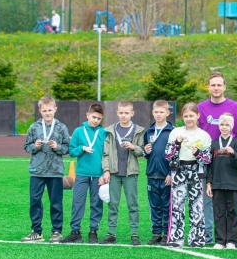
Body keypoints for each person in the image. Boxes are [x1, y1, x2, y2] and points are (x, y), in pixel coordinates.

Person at [197, 72, 237, 244]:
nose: (216, 88)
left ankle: (232, 238)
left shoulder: (235, 107)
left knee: (231, 205)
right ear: (208, 87)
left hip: (229, 163)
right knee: (208, 201)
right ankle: (210, 235)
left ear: (225, 87)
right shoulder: (201, 108)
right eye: (213, 85)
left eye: (219, 85)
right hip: (207, 161)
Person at [22, 96, 70, 243]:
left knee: (56, 202)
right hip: (37, 170)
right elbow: (26, 146)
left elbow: (67, 148)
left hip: (55, 171)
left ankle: (57, 231)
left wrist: (57, 147)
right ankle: (36, 232)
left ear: (55, 109)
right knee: (35, 201)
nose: (47, 113)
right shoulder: (34, 127)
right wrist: (35, 146)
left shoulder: (61, 127)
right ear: (40, 111)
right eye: (44, 111)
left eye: (50, 110)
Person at [165, 102, 212, 248]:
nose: (189, 119)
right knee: (177, 205)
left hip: (196, 171)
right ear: (182, 117)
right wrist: (177, 144)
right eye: (185, 116)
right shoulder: (176, 132)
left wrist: (198, 153)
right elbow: (168, 155)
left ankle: (196, 238)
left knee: (197, 205)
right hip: (179, 170)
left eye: (191, 116)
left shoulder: (204, 135)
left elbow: (207, 159)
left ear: (198, 116)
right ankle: (176, 238)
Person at [100, 100, 145, 246]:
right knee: (113, 203)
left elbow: (142, 151)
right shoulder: (111, 130)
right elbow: (105, 153)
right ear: (117, 113)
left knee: (133, 204)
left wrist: (133, 147)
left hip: (130, 173)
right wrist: (106, 170)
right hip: (114, 173)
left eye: (126, 113)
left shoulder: (137, 130)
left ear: (132, 113)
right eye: (121, 113)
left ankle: (134, 233)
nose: (124, 115)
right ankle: (111, 233)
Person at [61, 103, 107, 244]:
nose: (95, 121)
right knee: (78, 202)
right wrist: (82, 148)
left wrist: (104, 172)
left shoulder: (103, 133)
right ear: (88, 115)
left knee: (96, 203)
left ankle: (93, 231)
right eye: (93, 117)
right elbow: (71, 151)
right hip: (81, 173)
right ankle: (75, 231)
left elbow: (107, 154)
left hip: (98, 175)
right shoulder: (78, 131)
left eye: (99, 118)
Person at [206, 113, 237, 250]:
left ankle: (232, 240)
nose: (224, 127)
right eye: (222, 124)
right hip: (217, 184)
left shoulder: (236, 143)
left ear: (231, 126)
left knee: (233, 212)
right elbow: (209, 166)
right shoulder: (214, 143)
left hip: (233, 184)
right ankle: (220, 240)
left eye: (227, 125)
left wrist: (233, 154)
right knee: (219, 212)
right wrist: (209, 183)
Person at [143, 100, 174, 245]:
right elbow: (146, 153)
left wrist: (170, 172)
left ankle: (167, 232)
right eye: (156, 112)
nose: (158, 114)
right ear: (152, 113)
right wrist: (146, 151)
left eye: (161, 112)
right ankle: (156, 233)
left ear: (167, 113)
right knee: (154, 205)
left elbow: (175, 154)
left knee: (166, 205)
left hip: (165, 175)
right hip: (152, 174)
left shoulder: (172, 131)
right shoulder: (149, 131)